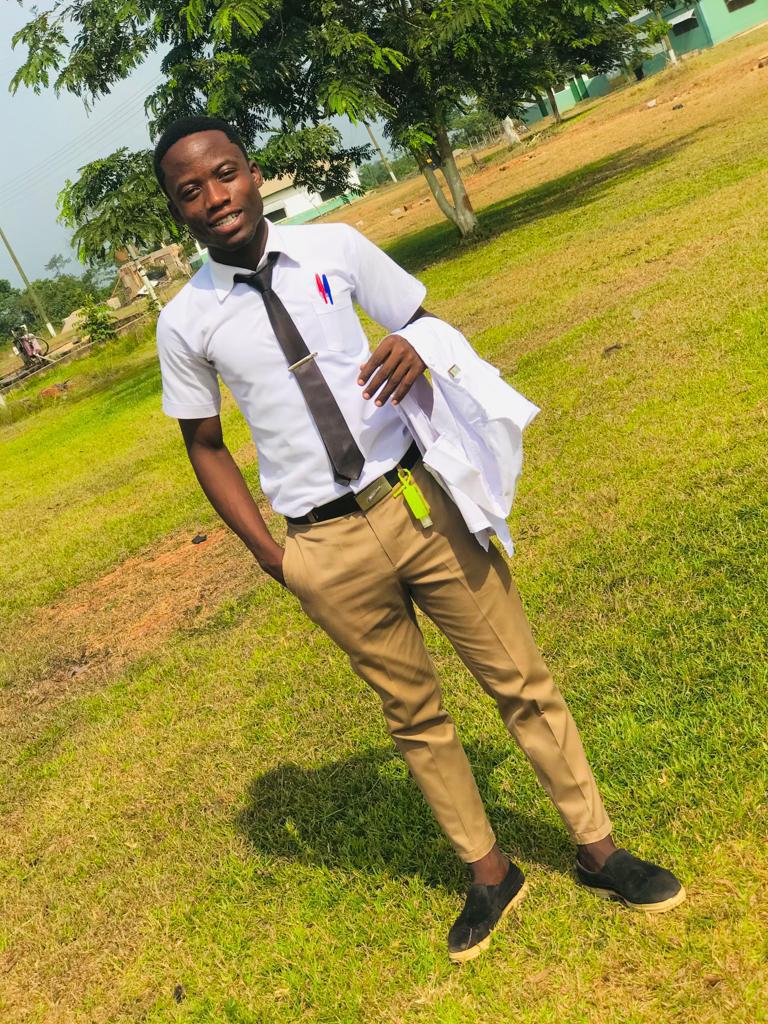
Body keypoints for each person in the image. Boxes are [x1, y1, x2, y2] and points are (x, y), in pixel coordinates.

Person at [153, 116, 685, 964]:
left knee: (519, 678)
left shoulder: (333, 247)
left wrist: (411, 344)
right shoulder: (186, 322)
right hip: (323, 546)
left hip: (416, 500)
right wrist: (273, 556)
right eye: (191, 190)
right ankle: (490, 872)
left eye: (225, 173)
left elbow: (423, 319)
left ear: (251, 173)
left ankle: (599, 849)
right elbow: (205, 445)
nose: (214, 196)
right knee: (414, 715)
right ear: (178, 210)